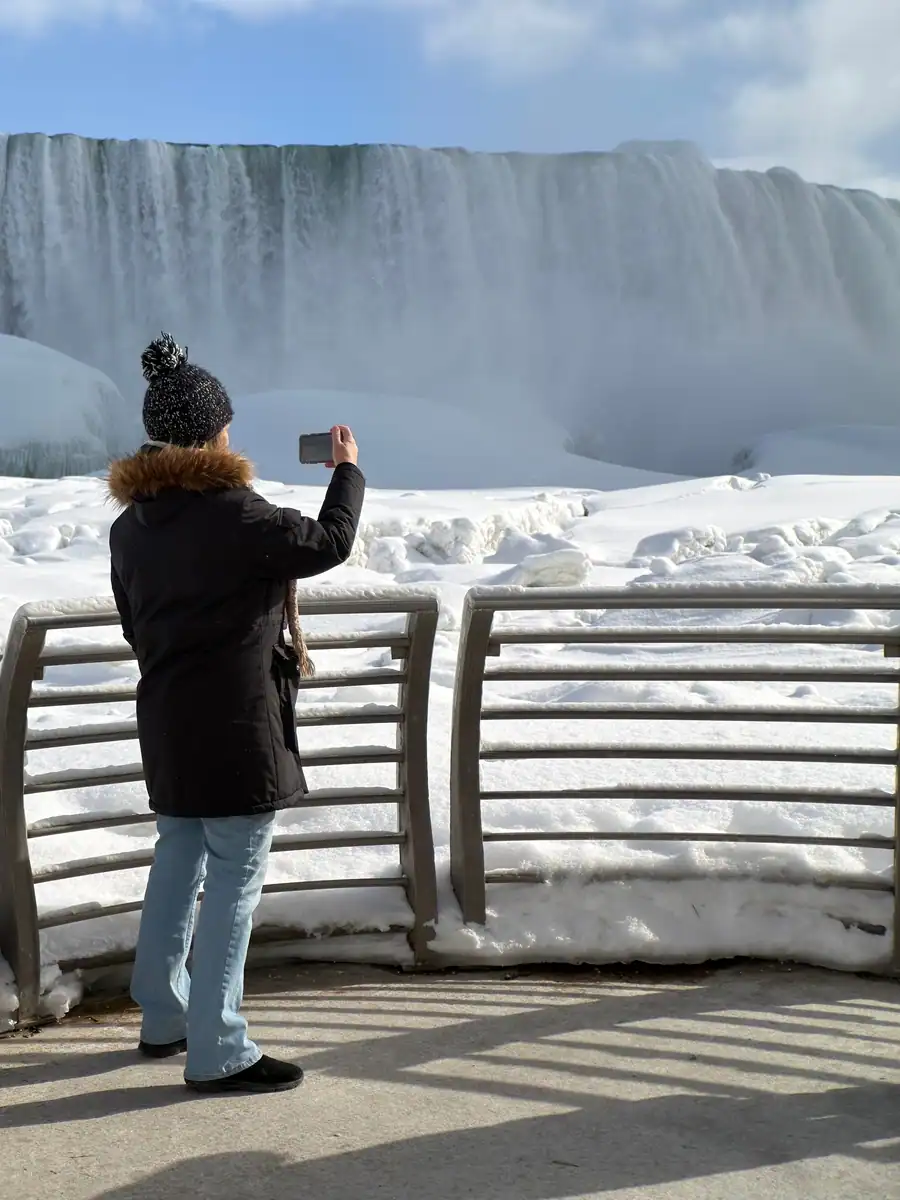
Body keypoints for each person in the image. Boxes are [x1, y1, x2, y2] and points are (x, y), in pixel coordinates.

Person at [107, 333, 365, 1095]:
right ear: (213, 434)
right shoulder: (237, 516)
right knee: (233, 882)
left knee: (177, 858)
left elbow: (134, 624)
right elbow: (329, 543)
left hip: (167, 722)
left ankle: (162, 1015)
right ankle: (218, 1048)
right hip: (236, 730)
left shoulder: (130, 528)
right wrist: (346, 471)